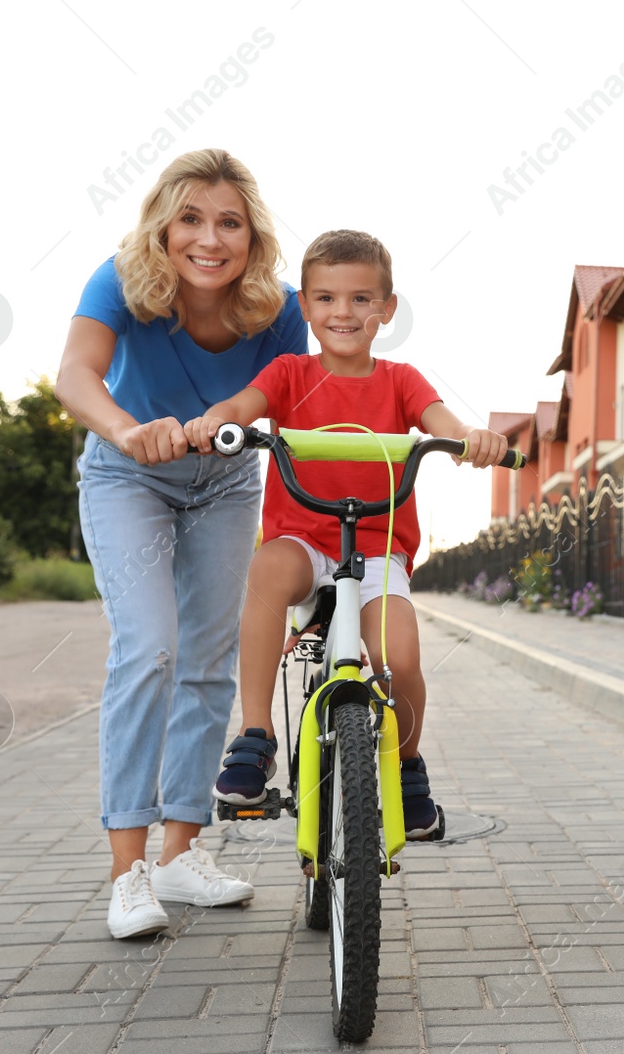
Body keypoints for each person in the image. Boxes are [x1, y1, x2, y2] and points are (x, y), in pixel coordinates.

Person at [55, 149, 308, 939]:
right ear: (164, 226)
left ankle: (181, 853)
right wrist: (131, 432)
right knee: (150, 648)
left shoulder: (279, 308)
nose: (209, 238)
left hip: (227, 483)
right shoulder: (121, 281)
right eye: (191, 218)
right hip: (129, 474)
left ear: (251, 234)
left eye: (228, 221)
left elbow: (299, 410)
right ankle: (127, 872)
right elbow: (74, 375)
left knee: (207, 659)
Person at [184, 229, 506, 839]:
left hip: (378, 547)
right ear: (304, 306)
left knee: (397, 656)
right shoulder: (288, 372)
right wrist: (217, 420)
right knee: (266, 572)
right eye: (327, 298)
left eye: (362, 299)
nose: (344, 312)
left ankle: (408, 767)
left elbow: (443, 422)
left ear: (386, 309)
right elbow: (242, 405)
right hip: (304, 540)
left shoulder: (401, 380)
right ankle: (257, 733)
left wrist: (470, 439)